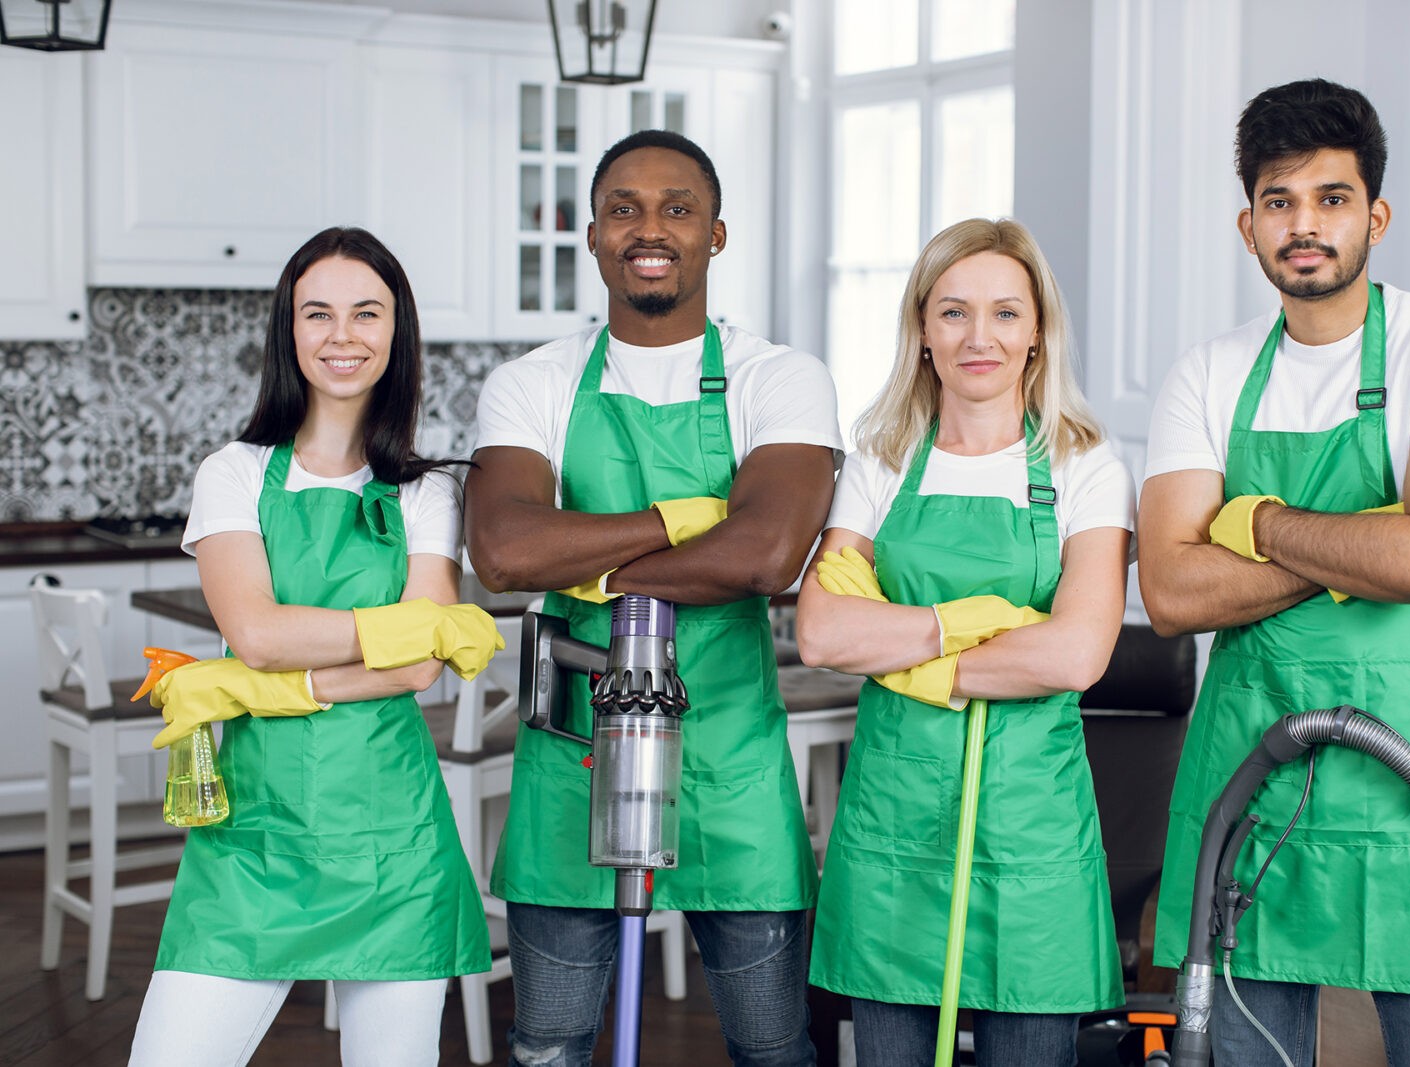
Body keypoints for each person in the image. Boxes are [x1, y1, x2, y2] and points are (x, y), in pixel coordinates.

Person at [1140, 79, 1410, 1065]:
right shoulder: (1207, 372)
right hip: (1249, 771)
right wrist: (1367, 542)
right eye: (1278, 200)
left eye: (1330, 197)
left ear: (1374, 215)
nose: (1302, 225)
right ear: (1247, 223)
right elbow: (1174, 593)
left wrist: (1254, 519)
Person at [466, 129, 841, 1067]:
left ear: (716, 235)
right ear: (592, 235)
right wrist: (690, 516)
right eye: (623, 207)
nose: (650, 227)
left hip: (731, 764)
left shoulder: (780, 378)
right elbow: (505, 550)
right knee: (547, 1045)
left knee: (774, 1047)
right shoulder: (533, 383)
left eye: (678, 207)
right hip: (573, 760)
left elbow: (766, 553)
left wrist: (582, 564)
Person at [128, 226, 501, 1066]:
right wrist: (380, 633)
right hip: (254, 836)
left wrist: (273, 682)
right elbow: (255, 630)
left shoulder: (427, 491)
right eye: (318, 313)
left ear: (395, 332)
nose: (342, 336)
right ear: (289, 330)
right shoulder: (232, 473)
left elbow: (415, 665)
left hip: (392, 838)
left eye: (366, 314)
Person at [798, 218, 1135, 1066]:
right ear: (922, 332)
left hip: (1032, 824)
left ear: (1037, 334)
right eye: (952, 312)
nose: (978, 336)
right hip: (892, 822)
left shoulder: (1085, 467)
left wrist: (910, 660)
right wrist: (964, 626)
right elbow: (823, 630)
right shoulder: (881, 460)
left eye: (1005, 314)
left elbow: (1075, 654)